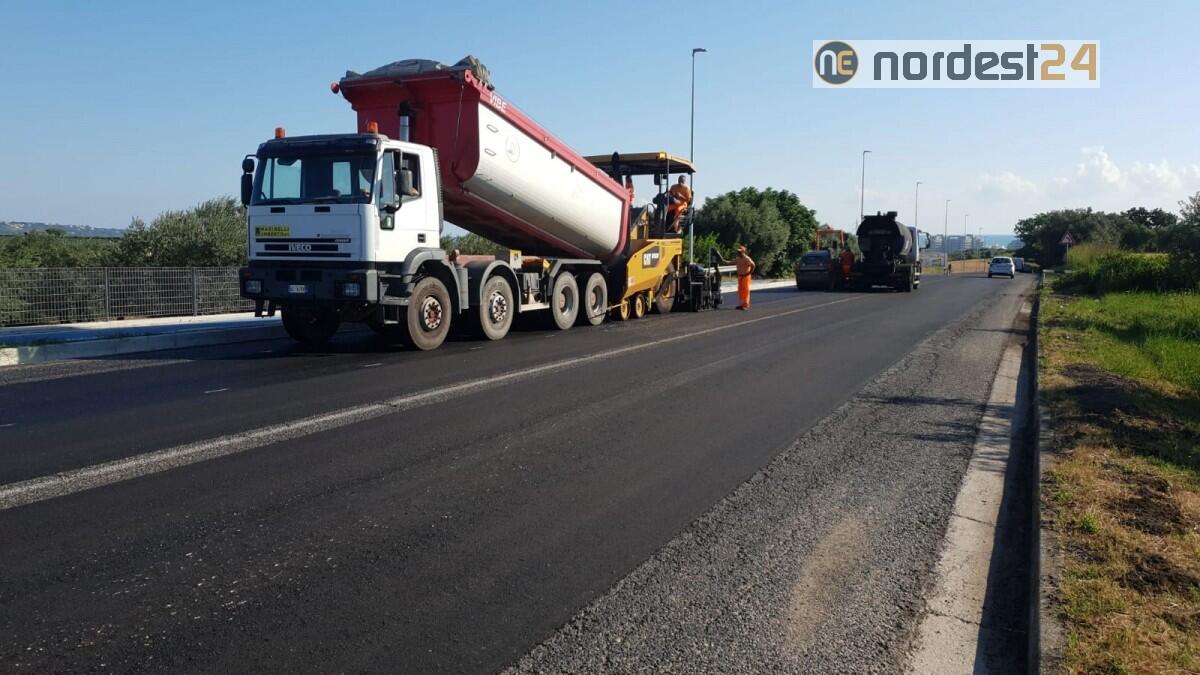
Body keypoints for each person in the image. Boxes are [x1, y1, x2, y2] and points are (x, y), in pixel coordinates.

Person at [723, 245, 755, 310]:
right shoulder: (738, 259)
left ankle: (745, 305)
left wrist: (749, 273)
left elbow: (753, 265)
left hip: (746, 276)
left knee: (745, 290)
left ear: (743, 252)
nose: (738, 253)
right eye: (738, 251)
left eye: (740, 252)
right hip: (740, 276)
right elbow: (730, 262)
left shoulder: (747, 258)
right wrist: (723, 261)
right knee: (740, 290)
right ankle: (741, 304)